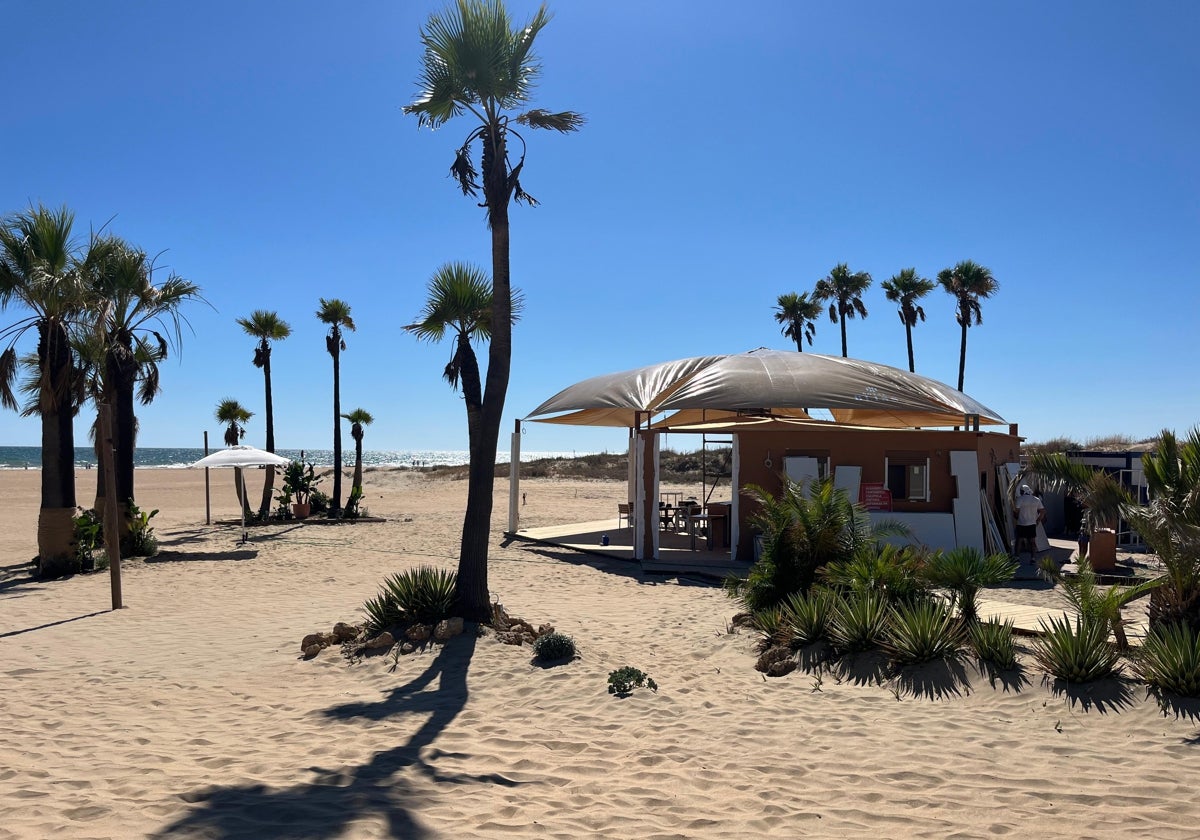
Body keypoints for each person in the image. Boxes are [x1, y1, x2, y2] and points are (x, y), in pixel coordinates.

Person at [1013, 484, 1045, 563]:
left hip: (1021, 523)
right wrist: (1038, 520)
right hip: (1032, 523)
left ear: (1022, 491)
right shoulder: (1036, 499)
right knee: (1032, 541)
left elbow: (1016, 511)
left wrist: (1016, 516)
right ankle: (1033, 558)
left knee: (1019, 540)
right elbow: (1043, 511)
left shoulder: (1020, 499)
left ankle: (1017, 557)